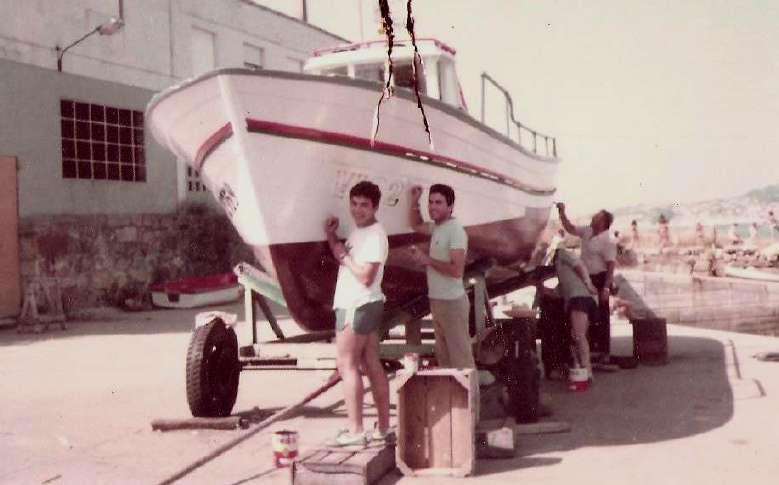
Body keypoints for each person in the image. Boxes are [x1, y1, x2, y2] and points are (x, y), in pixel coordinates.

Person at [324, 181, 391, 447]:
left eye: (364, 205)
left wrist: (344, 258)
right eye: (354, 203)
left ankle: (355, 431)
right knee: (371, 362)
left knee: (347, 366)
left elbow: (365, 276)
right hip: (368, 303)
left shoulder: (375, 235)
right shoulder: (359, 231)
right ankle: (383, 428)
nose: (358, 209)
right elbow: (343, 255)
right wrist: (331, 237)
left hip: (357, 305)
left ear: (375, 207)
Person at [408, 184, 475, 369]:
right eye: (430, 202)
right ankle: (451, 390)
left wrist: (427, 260)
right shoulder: (438, 227)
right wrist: (414, 201)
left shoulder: (456, 231)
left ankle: (470, 390)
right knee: (445, 359)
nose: (433, 207)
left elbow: (457, 270)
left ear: (450, 206)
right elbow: (416, 225)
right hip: (438, 301)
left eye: (439, 202)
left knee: (461, 361)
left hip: (452, 303)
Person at [556, 202, 617, 363]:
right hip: (585, 277)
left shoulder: (608, 240)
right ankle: (590, 351)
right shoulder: (588, 231)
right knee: (585, 314)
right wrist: (562, 213)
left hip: (600, 278)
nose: (593, 217)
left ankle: (603, 352)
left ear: (603, 222)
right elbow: (570, 228)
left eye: (597, 216)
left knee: (601, 316)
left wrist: (606, 288)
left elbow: (611, 265)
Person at [553, 247, 599, 381]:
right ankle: (581, 368)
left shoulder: (562, 253)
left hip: (580, 298)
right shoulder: (561, 273)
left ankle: (587, 371)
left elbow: (579, 266)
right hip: (582, 298)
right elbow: (557, 292)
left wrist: (588, 283)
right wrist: (539, 286)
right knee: (577, 336)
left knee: (578, 335)